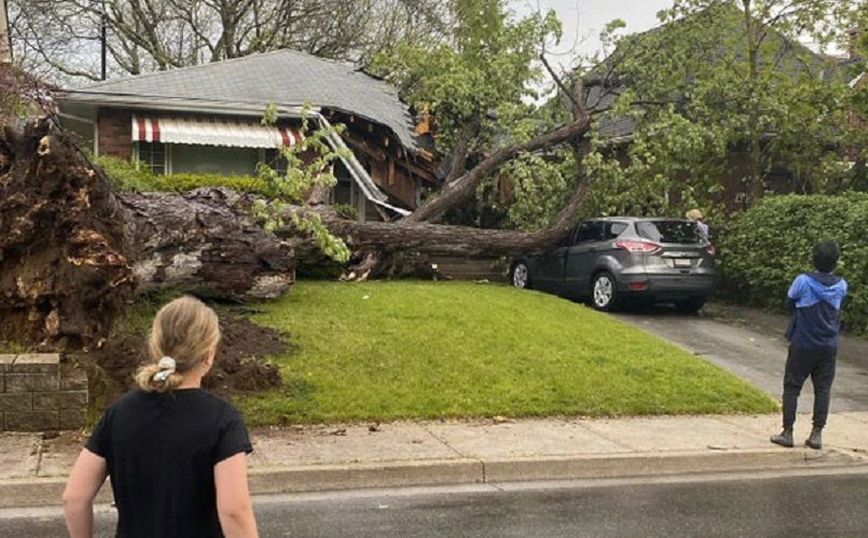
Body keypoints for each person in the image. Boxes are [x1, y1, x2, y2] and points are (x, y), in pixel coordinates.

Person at [63, 296, 259, 538]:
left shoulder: (119, 413)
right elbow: (234, 512)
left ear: (156, 348)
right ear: (208, 355)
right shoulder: (223, 420)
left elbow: (74, 498)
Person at [770, 242, 848, 450]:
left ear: (813, 259)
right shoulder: (841, 285)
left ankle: (787, 432)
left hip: (803, 342)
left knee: (792, 386)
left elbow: (789, 303)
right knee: (823, 389)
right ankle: (816, 434)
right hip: (828, 344)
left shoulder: (803, 281)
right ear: (836, 262)